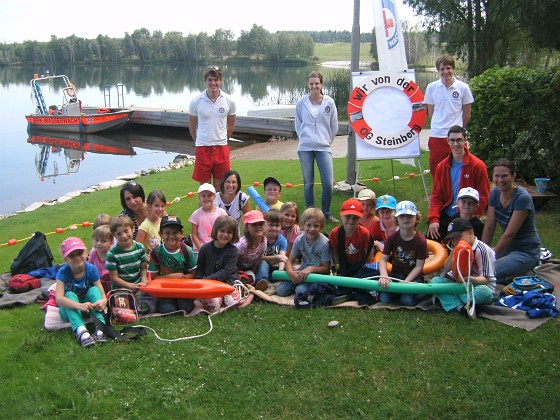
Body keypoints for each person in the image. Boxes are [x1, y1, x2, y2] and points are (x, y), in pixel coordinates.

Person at [481, 158, 541, 284]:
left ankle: (521, 272)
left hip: (526, 252)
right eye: (497, 176)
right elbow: (489, 226)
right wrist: (482, 252)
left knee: (488, 271)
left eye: (504, 176)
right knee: (480, 267)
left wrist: (490, 257)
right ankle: (514, 274)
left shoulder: (522, 198)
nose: (500, 180)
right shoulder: (495, 193)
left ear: (513, 176)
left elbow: (509, 234)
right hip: (508, 250)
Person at [427, 126, 489, 242]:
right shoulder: (442, 166)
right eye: (452, 140)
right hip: (447, 213)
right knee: (431, 241)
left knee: (464, 246)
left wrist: (473, 215)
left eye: (459, 140)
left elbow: (484, 196)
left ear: (465, 140)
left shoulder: (478, 166)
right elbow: (436, 196)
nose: (456, 144)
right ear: (448, 141)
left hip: (467, 213)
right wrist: (434, 219)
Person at [295, 71, 339, 222]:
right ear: (308, 85)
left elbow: (334, 126)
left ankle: (326, 214)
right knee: (308, 183)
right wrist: (304, 138)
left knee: (328, 184)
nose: (314, 86)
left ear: (322, 84)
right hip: (305, 147)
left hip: (323, 147)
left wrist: (326, 140)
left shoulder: (329, 102)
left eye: (317, 83)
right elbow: (298, 124)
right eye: (311, 84)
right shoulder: (301, 102)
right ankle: (310, 214)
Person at [431, 218, 496, 315]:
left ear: (470, 233)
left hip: (477, 286)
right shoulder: (456, 248)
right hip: (458, 285)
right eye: (452, 239)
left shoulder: (482, 250)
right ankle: (460, 307)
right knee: (435, 281)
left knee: (484, 292)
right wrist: (453, 252)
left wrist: (468, 278)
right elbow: (447, 268)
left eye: (458, 237)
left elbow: (485, 279)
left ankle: (449, 300)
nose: (454, 241)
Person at [425, 54, 475, 177]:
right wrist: (438, 124)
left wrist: (457, 129)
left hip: (456, 135)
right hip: (437, 135)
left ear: (453, 69)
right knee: (437, 170)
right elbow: (431, 112)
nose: (445, 72)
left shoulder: (463, 88)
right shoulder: (431, 88)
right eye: (442, 69)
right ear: (438, 71)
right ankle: (440, 195)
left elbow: (467, 113)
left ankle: (459, 194)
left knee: (460, 168)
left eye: (448, 68)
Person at [188, 66, 236, 191]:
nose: (213, 83)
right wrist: (199, 141)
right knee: (205, 189)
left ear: (221, 81)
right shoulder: (196, 101)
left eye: (216, 80)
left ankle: (219, 211)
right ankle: (203, 211)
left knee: (220, 186)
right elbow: (192, 126)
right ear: (205, 81)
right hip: (203, 148)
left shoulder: (230, 101)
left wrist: (223, 139)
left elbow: (230, 126)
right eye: (210, 80)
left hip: (221, 147)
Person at [55, 237, 107, 348]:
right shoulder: (63, 272)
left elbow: (102, 293)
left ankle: (100, 327)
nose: (77, 257)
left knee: (94, 290)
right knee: (69, 295)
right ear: (65, 259)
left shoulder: (91, 269)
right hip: (69, 310)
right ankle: (81, 331)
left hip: (87, 307)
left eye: (80, 253)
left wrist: (103, 301)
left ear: (86, 252)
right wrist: (79, 306)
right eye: (72, 256)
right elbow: (58, 298)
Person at [379, 201, 429, 306]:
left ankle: (426, 292)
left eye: (410, 216)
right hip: (396, 275)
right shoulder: (392, 238)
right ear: (397, 219)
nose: (406, 219)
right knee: (384, 298)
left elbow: (419, 267)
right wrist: (384, 276)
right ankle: (402, 292)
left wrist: (406, 282)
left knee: (407, 301)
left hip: (414, 277)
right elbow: (383, 259)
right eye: (402, 216)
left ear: (416, 218)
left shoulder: (421, 241)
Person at [106, 215, 156, 314]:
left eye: (126, 231)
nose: (124, 236)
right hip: (122, 287)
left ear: (133, 229)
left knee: (150, 298)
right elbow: (114, 278)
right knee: (122, 303)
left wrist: (144, 279)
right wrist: (129, 286)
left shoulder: (139, 247)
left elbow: (143, 268)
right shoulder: (112, 254)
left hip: (138, 285)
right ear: (114, 236)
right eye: (119, 234)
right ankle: (128, 307)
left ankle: (137, 305)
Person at [148, 216, 197, 314]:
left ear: (181, 234)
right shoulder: (156, 253)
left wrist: (181, 278)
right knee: (168, 310)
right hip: (165, 289)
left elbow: (193, 274)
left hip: (183, 287)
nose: (171, 236)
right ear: (160, 234)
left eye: (175, 233)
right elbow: (153, 277)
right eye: (167, 233)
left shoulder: (187, 250)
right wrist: (170, 277)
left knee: (186, 307)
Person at [279, 208, 332, 297]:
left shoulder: (324, 244)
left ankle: (311, 289)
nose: (312, 229)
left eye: (316, 226)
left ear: (321, 227)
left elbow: (326, 268)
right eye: (309, 225)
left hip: (317, 275)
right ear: (303, 225)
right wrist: (290, 272)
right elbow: (290, 260)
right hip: (301, 271)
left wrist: (310, 269)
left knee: (300, 292)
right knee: (281, 291)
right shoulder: (299, 240)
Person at [329, 198, 374, 277]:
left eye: (355, 217)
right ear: (341, 215)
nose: (351, 220)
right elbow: (335, 252)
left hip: (360, 266)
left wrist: (366, 269)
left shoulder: (364, 233)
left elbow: (368, 252)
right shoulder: (335, 234)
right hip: (344, 265)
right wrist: (338, 268)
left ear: (360, 218)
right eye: (348, 216)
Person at [195, 215, 240, 285]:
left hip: (227, 284)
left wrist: (208, 279)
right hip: (207, 284)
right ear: (216, 231)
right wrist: (199, 282)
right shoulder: (204, 249)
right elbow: (199, 269)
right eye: (222, 231)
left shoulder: (233, 251)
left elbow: (227, 271)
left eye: (229, 232)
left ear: (233, 234)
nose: (225, 235)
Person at [189, 183, 228, 254]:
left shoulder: (221, 213)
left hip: (218, 246)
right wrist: (201, 250)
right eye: (203, 196)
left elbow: (225, 231)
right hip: (200, 249)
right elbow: (194, 235)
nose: (206, 198)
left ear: (214, 197)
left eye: (209, 195)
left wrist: (221, 246)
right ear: (199, 198)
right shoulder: (195, 215)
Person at [235, 210, 268, 291]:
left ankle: (261, 281)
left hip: (251, 264)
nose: (258, 227)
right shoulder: (244, 243)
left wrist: (254, 267)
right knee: (249, 276)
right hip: (239, 265)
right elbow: (235, 258)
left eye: (261, 224)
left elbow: (260, 256)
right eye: (254, 225)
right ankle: (249, 282)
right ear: (247, 228)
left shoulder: (263, 241)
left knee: (264, 263)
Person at [261, 209, 288, 282]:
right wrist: (276, 257)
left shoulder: (282, 240)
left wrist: (281, 270)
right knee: (263, 264)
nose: (274, 228)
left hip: (275, 267)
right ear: (264, 225)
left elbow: (282, 257)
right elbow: (260, 257)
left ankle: (275, 277)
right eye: (271, 225)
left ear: (281, 226)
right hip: (261, 266)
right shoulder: (260, 238)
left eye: (277, 225)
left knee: (289, 269)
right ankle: (262, 280)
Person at [89, 225, 114, 294]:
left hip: (111, 283)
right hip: (97, 281)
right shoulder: (93, 253)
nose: (99, 243)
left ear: (111, 242)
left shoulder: (112, 255)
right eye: (96, 240)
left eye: (103, 241)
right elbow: (90, 267)